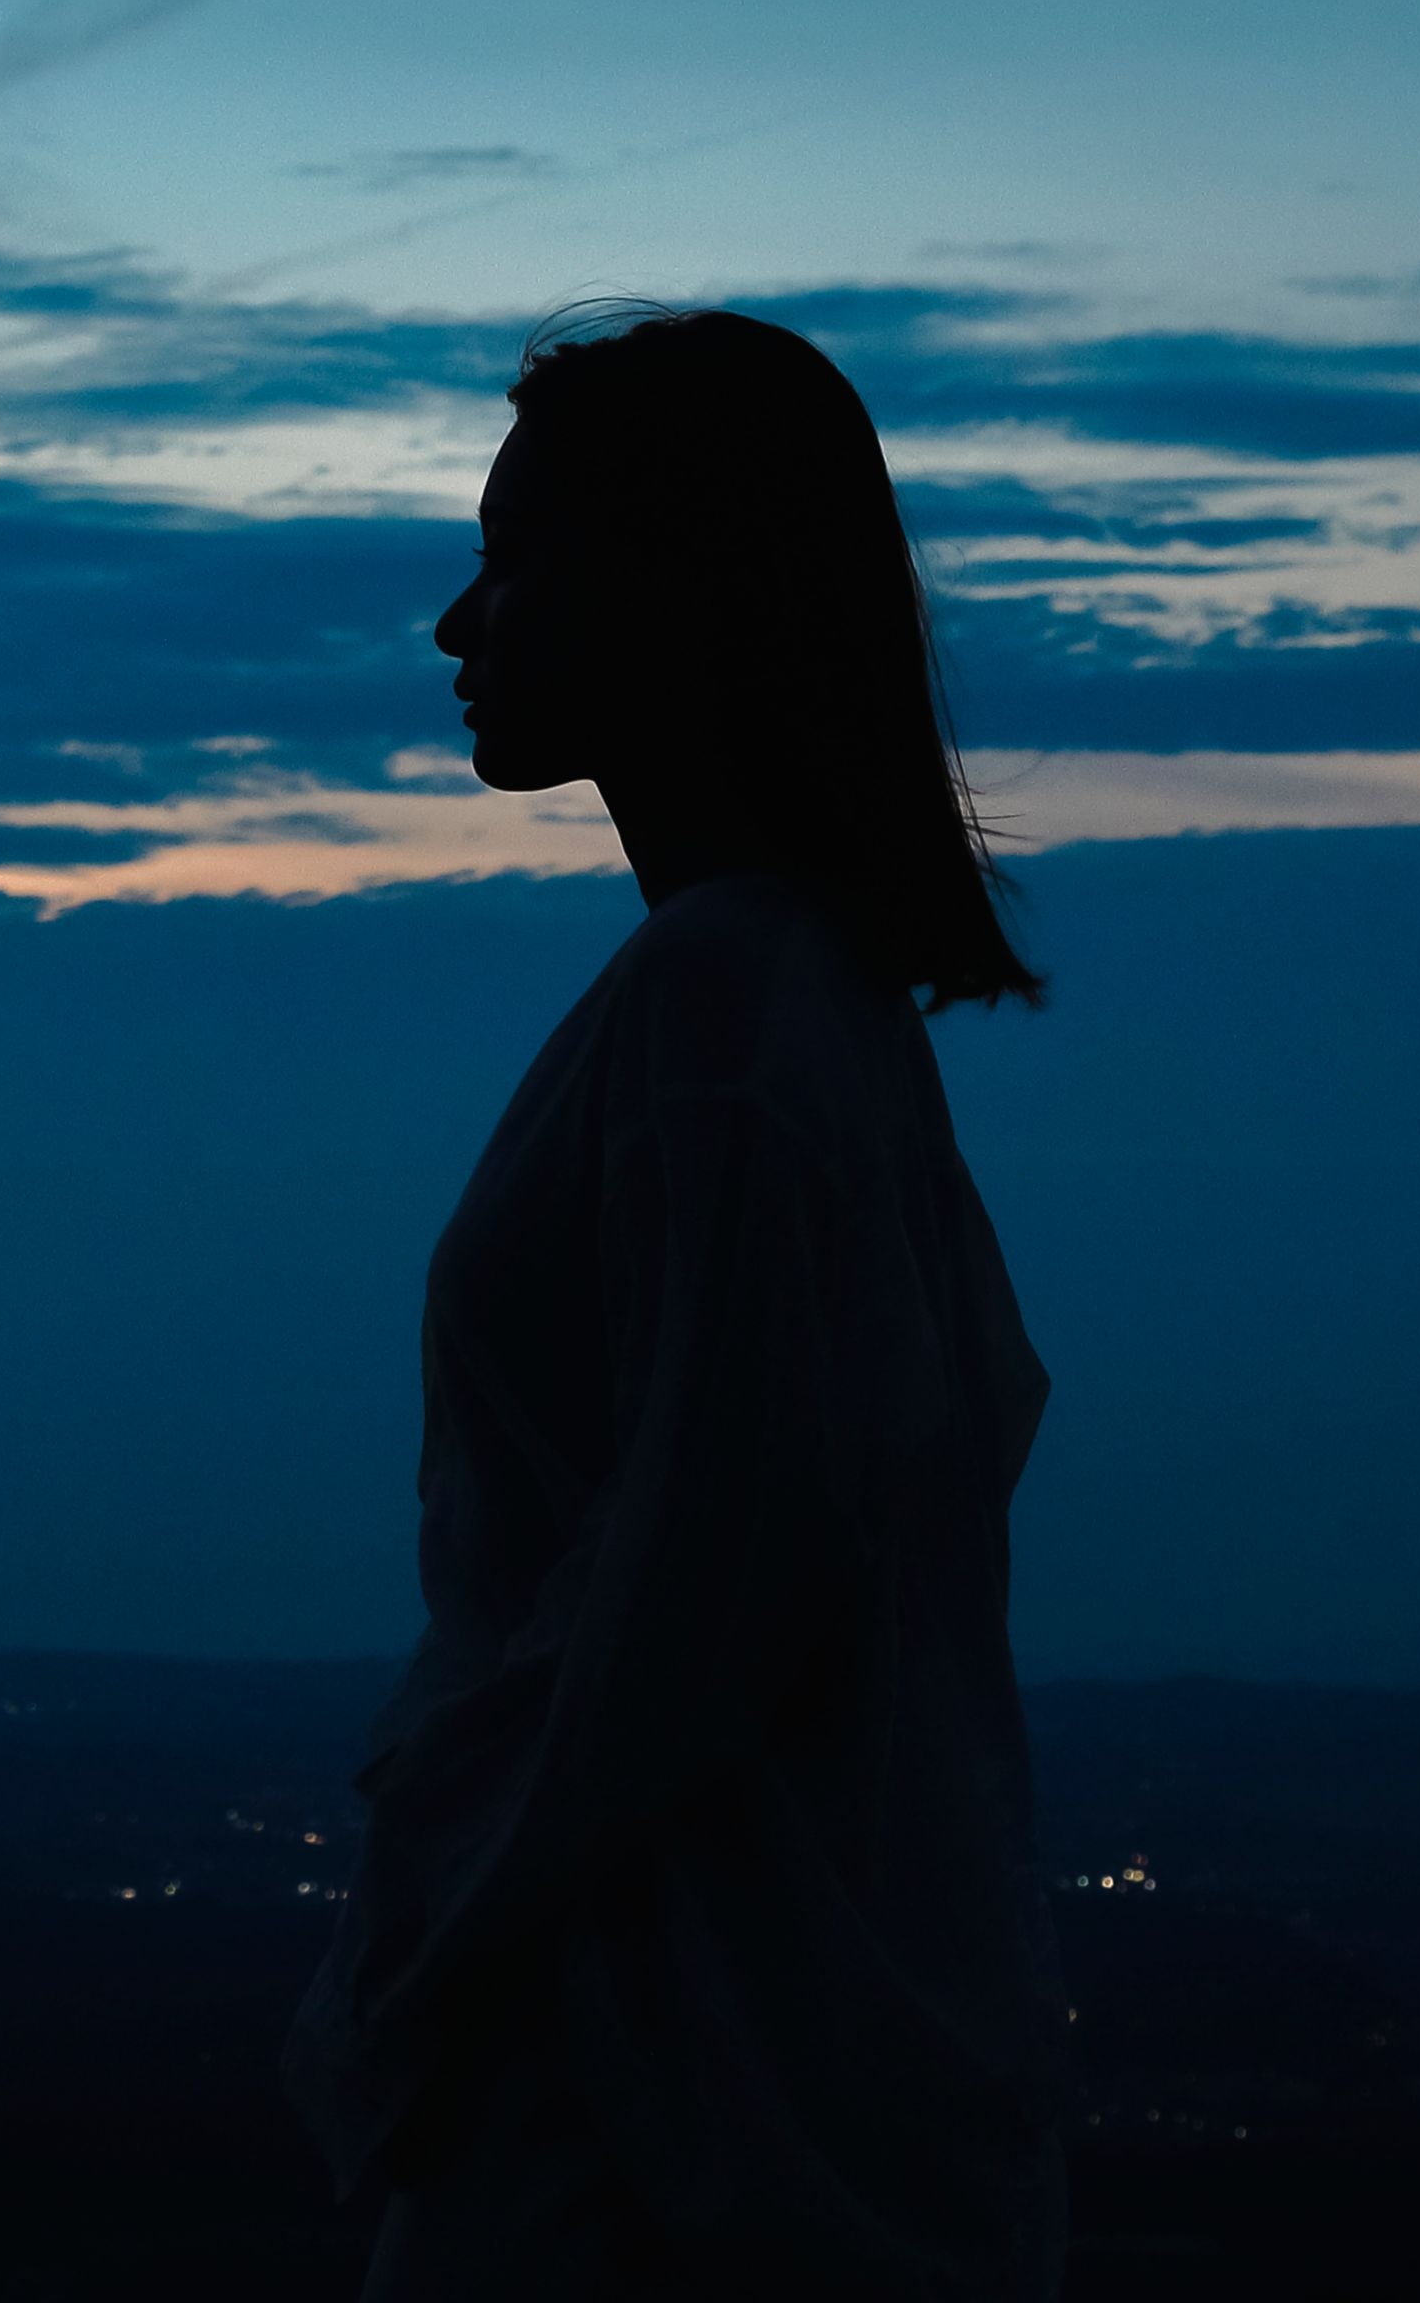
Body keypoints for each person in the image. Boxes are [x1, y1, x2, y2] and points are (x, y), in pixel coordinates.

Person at [286, 306, 1070, 2299]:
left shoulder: (725, 1011)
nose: (459, 622)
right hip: (691, 2026)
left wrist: (445, 1931)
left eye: (516, 558)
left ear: (674, 590)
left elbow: (707, 1581)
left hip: (657, 2070)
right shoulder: (787, 1012)